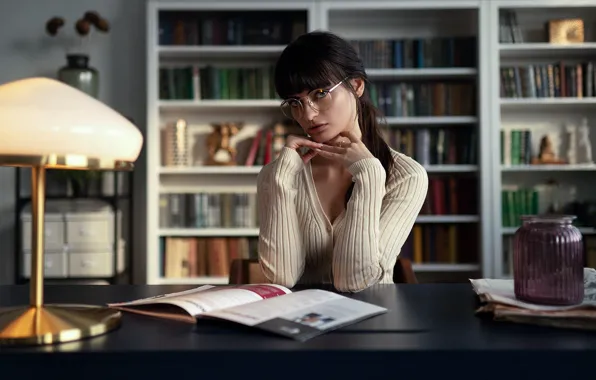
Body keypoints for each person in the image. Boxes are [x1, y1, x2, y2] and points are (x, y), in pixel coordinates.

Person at [256, 31, 429, 293]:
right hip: (300, 324)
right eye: (295, 102)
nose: (308, 114)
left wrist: (369, 175)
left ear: (357, 86)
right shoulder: (280, 174)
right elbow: (281, 279)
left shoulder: (406, 176)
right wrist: (279, 181)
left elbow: (353, 281)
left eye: (321, 93)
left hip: (373, 325)